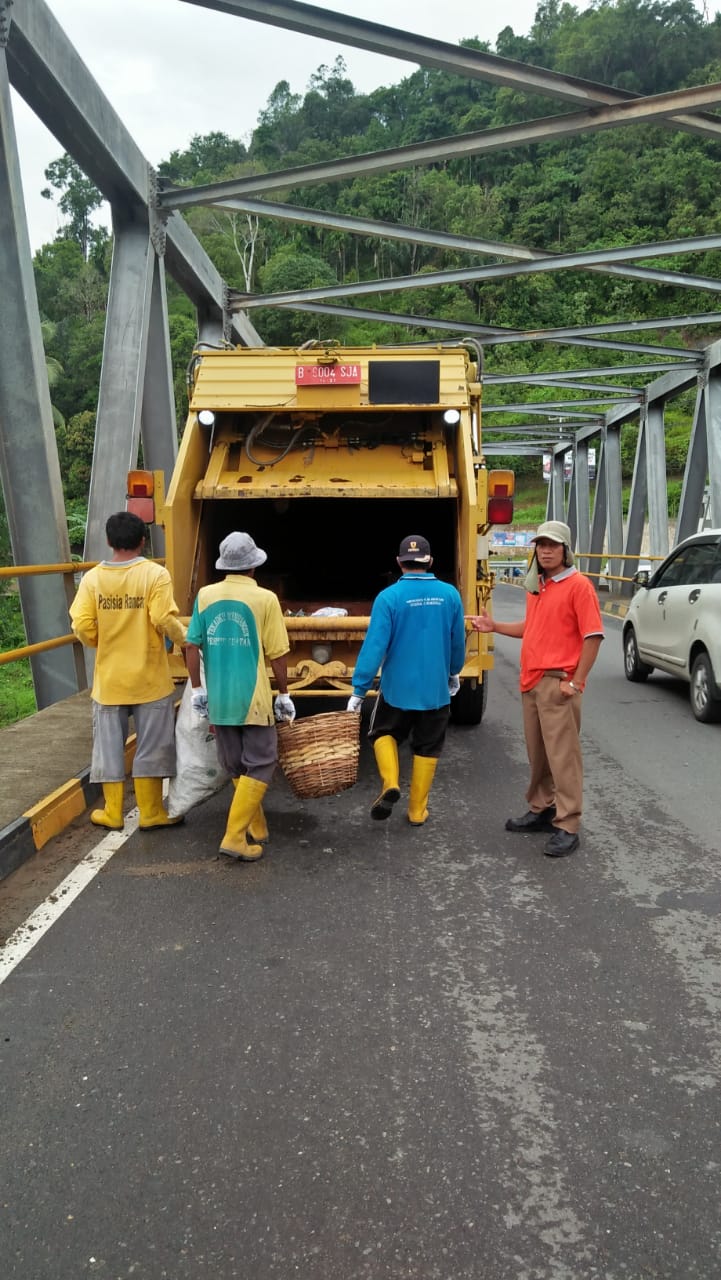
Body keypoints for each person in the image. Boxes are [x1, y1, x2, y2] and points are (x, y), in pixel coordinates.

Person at [469, 520, 603, 857]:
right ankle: (543, 808)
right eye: (541, 545)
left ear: (565, 550)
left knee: (563, 758)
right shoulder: (538, 586)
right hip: (532, 682)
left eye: (553, 545)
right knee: (539, 754)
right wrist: (494, 626)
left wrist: (576, 681)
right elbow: (532, 627)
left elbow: (593, 637)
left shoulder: (578, 586)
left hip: (558, 683)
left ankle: (568, 824)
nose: (545, 551)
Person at [69, 510, 187, 831]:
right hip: (150, 679)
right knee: (152, 745)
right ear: (143, 541)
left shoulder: (93, 579)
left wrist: (99, 641)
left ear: (108, 541)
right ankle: (150, 813)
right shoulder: (154, 575)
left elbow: (81, 625)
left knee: (109, 747)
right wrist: (188, 641)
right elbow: (163, 618)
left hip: (110, 681)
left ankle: (112, 813)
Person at [184, 532, 294, 862]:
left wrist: (198, 689)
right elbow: (277, 654)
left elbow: (191, 645)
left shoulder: (204, 596)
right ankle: (234, 837)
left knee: (234, 765)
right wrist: (284, 693)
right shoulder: (265, 599)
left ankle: (255, 827)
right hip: (254, 699)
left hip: (219, 699)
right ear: (254, 566)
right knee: (261, 763)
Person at [346, 534, 466, 826]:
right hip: (435, 690)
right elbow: (457, 641)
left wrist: (359, 689)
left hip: (396, 689)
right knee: (428, 746)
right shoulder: (450, 595)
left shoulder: (388, 598)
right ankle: (416, 811)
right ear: (431, 562)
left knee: (382, 733)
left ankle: (390, 782)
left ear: (399, 563)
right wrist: (453, 671)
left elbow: (375, 645)